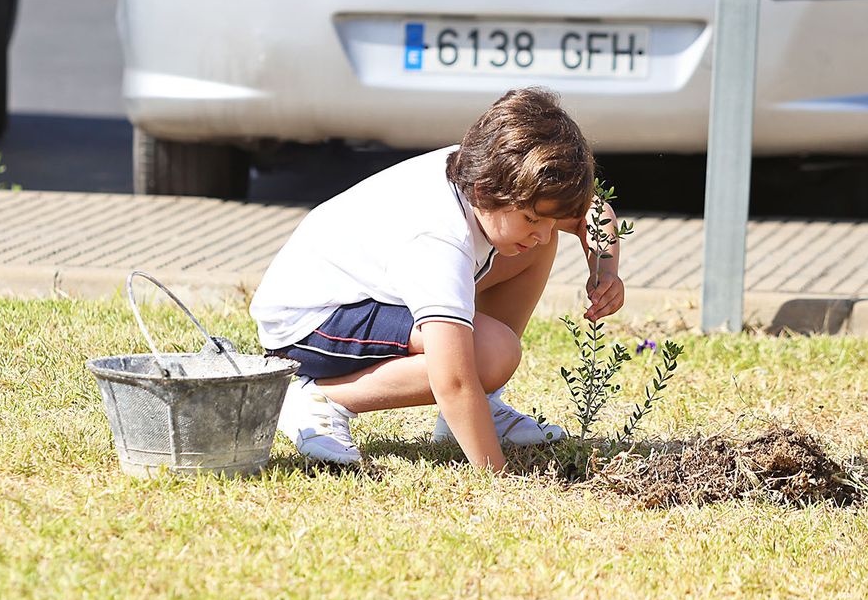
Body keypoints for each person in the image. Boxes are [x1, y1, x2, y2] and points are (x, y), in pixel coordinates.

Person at [250, 86, 626, 472]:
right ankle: (322, 397)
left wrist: (604, 269)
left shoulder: (490, 173)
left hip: (373, 292)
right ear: (483, 192)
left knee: (531, 247)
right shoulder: (440, 237)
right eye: (532, 217)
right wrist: (495, 476)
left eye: (548, 220)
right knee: (490, 354)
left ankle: (480, 408)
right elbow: (455, 380)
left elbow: (592, 211)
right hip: (310, 324)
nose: (546, 231)